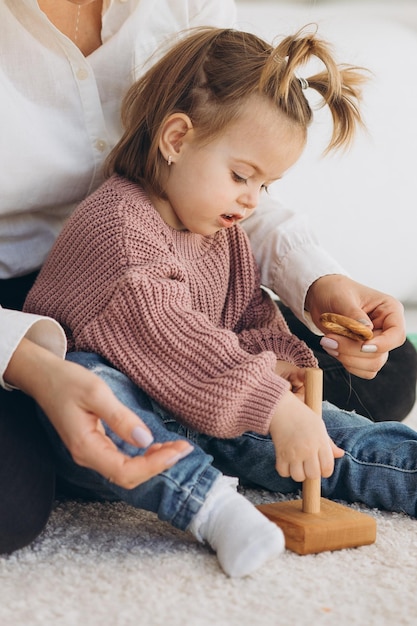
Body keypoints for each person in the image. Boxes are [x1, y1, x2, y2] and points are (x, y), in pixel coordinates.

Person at [1, 0, 415, 553]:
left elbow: (248, 311)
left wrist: (280, 361)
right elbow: (168, 335)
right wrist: (271, 403)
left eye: (263, 186)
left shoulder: (218, 225)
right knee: (103, 397)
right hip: (114, 366)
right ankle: (208, 504)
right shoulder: (121, 229)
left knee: (348, 409)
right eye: (243, 177)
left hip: (206, 381)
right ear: (175, 139)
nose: (251, 200)